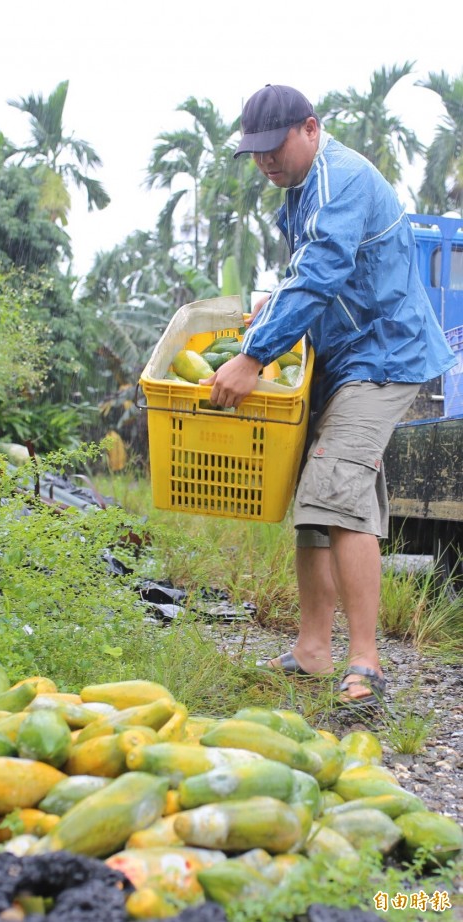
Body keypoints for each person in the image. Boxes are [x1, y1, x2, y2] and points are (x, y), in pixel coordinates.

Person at [200, 84, 456, 710]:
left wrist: (253, 355)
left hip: (383, 354)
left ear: (310, 129)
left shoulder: (339, 179)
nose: (264, 161)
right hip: (343, 360)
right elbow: (309, 270)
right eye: (254, 152)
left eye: (273, 146)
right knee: (319, 505)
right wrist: (273, 308)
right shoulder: (302, 187)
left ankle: (366, 663)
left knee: (335, 491)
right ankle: (314, 651)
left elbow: (322, 271)